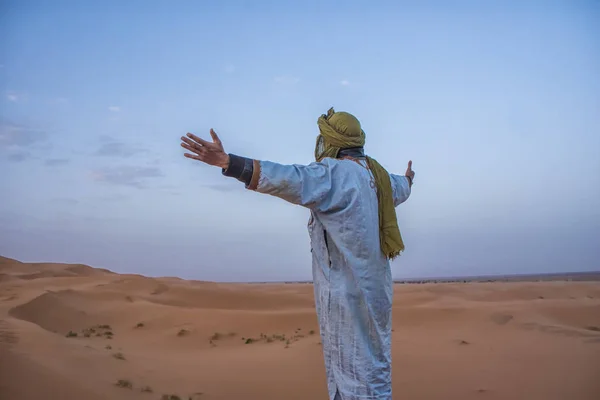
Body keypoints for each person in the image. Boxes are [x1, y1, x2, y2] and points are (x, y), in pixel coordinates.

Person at [180, 107, 414, 400]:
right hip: (377, 295)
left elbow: (287, 178)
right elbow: (402, 188)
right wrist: (409, 178)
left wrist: (228, 162)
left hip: (345, 299)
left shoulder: (333, 175)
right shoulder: (380, 179)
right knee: (374, 370)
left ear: (331, 140)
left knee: (354, 377)